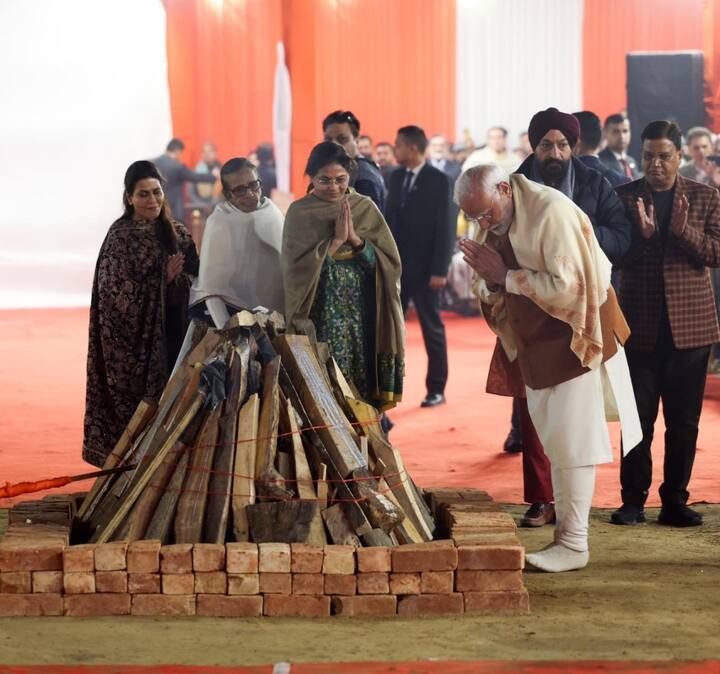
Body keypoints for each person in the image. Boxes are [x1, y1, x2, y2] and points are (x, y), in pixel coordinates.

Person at [457, 164, 639, 572]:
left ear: (504, 189)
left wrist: (503, 276)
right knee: (555, 439)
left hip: (573, 334)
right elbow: (488, 280)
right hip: (534, 341)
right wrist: (490, 281)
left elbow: (572, 287)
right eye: (473, 219)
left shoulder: (550, 210)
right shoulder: (495, 212)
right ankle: (567, 538)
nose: (482, 224)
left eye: (486, 215)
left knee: (574, 440)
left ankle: (575, 542)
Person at [511, 107, 632, 527]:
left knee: (575, 411)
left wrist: (576, 236)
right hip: (528, 305)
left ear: (574, 146)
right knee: (531, 407)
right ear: (534, 146)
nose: (555, 152)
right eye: (546, 144)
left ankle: (572, 504)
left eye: (562, 144)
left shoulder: (595, 183)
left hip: (582, 312)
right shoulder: (515, 186)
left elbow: (621, 237)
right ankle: (541, 499)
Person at [612, 120, 720, 527]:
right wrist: (640, 236)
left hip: (691, 330)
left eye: (664, 156)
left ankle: (675, 500)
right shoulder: (624, 197)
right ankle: (632, 501)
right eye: (649, 157)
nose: (655, 164)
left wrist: (681, 231)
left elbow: (716, 253)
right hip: (636, 327)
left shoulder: (705, 196)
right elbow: (613, 258)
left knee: (683, 422)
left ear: (679, 156)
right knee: (634, 419)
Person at [83, 160, 199, 468]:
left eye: (156, 192)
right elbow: (113, 295)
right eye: (143, 194)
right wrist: (162, 280)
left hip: (176, 339)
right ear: (129, 198)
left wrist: (178, 282)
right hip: (132, 348)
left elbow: (199, 282)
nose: (152, 201)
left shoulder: (178, 233)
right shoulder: (120, 237)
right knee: (135, 413)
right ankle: (129, 474)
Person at [282, 142, 404, 410]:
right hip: (321, 312)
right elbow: (294, 273)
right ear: (311, 178)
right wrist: (335, 243)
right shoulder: (299, 213)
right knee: (328, 383)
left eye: (341, 179)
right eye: (325, 180)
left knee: (363, 380)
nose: (334, 187)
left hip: (363, 315)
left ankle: (368, 445)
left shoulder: (364, 207)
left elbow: (388, 265)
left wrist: (356, 241)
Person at [385, 125, 455, 407]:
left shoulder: (439, 179)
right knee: (391, 330)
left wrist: (440, 269)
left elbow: (445, 227)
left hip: (427, 271)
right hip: (397, 268)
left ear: (412, 148)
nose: (395, 149)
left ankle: (436, 388)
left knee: (432, 329)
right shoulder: (395, 175)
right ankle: (390, 386)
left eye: (398, 145)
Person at [188, 158, 284, 328]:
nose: (250, 193)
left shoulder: (272, 214)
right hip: (228, 313)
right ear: (227, 194)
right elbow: (211, 289)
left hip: (273, 316)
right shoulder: (219, 222)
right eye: (240, 190)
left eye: (254, 185)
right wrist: (226, 329)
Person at [322, 110, 386, 211]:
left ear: (356, 140)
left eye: (342, 139)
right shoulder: (343, 170)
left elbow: (368, 224)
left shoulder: (363, 176)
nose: (334, 145)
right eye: (328, 140)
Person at [153, 138, 216, 223]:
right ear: (178, 151)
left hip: (156, 210)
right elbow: (195, 177)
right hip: (174, 211)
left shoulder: (153, 163)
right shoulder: (177, 167)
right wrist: (214, 176)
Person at [573, 111, 631, 188]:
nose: (621, 136)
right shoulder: (622, 181)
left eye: (563, 143)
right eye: (616, 131)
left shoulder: (565, 177)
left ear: (576, 143)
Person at [599, 114, 641, 179]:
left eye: (625, 131)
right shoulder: (600, 162)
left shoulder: (631, 161)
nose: (622, 136)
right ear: (605, 133)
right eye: (616, 131)